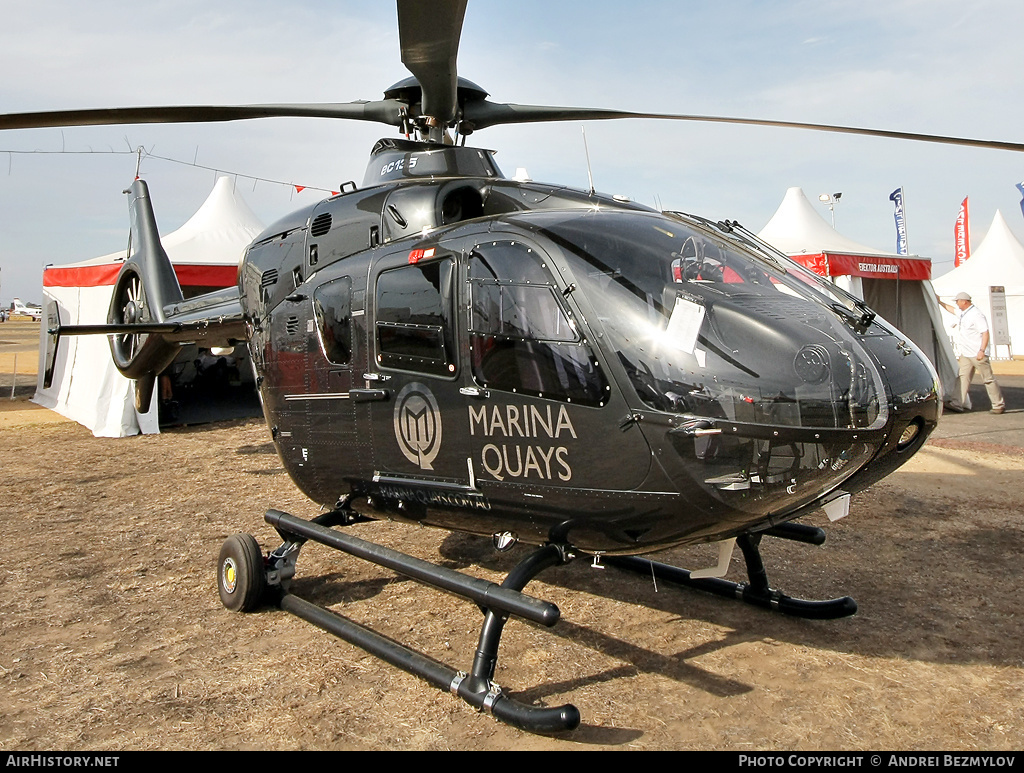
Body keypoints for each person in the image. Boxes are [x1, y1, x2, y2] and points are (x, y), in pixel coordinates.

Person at [937, 292, 1005, 414]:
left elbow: (985, 332)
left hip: (976, 352)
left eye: (958, 301)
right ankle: (957, 403)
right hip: (966, 353)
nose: (956, 303)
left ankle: (998, 404)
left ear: (964, 301)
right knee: (962, 377)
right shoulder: (964, 313)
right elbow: (952, 310)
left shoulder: (977, 315)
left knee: (988, 379)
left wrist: (982, 350)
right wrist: (940, 301)